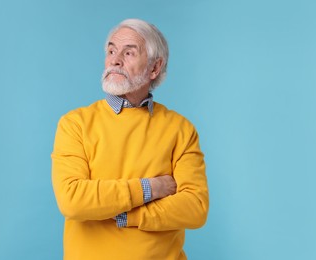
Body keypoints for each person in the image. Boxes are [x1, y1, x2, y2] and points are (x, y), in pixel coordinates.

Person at [51, 18, 209, 260]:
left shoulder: (181, 129)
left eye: (129, 53)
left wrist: (129, 216)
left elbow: (195, 208)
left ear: (155, 68)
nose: (115, 60)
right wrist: (152, 188)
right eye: (111, 50)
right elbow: (72, 200)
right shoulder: (75, 124)